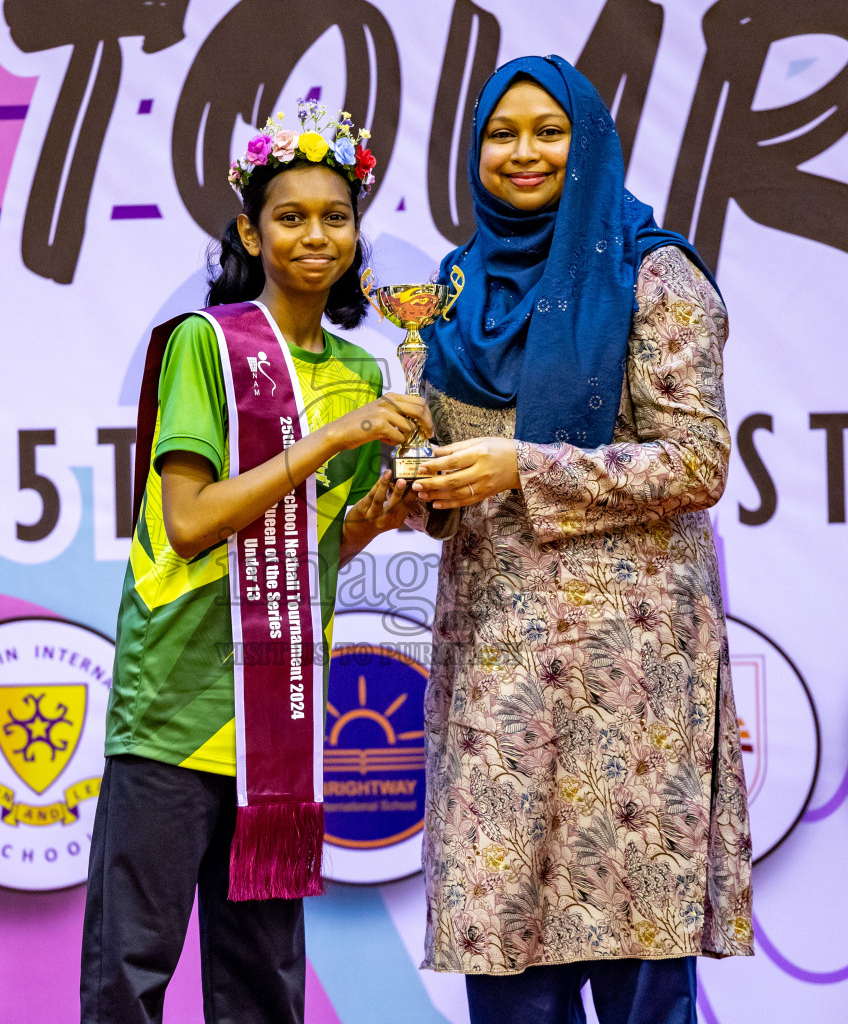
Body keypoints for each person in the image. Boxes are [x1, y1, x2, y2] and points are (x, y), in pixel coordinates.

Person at [408, 56, 754, 1024]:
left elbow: (696, 460)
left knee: (637, 944)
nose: (523, 152)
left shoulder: (656, 273)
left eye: (548, 131)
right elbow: (446, 458)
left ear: (589, 142)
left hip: (630, 680)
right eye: (501, 132)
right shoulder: (453, 286)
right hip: (499, 672)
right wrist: (411, 483)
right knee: (510, 944)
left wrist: (526, 464)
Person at [81, 101, 433, 1024]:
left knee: (263, 992)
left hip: (274, 721)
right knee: (129, 979)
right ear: (250, 229)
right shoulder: (208, 344)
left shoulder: (363, 371)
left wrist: (378, 517)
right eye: (289, 216)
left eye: (335, 216)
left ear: (357, 233)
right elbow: (192, 523)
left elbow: (312, 544)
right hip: (173, 706)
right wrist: (330, 440)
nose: (314, 235)